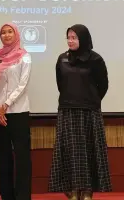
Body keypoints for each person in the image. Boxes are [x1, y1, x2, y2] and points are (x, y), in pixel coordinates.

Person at [48, 24, 111, 200]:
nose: (70, 41)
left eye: (74, 37)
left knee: (89, 151)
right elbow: (61, 84)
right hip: (67, 110)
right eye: (68, 37)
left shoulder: (95, 59)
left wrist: (90, 99)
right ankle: (73, 190)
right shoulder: (62, 59)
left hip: (89, 111)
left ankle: (88, 191)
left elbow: (103, 85)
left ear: (83, 39)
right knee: (70, 152)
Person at [0, 23, 32, 200]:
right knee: (4, 158)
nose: (6, 35)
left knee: (22, 159)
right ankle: (6, 196)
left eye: (9, 32)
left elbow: (23, 84)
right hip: (0, 114)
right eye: (3, 33)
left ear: (16, 34)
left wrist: (5, 104)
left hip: (19, 112)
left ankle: (22, 196)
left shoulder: (25, 57)